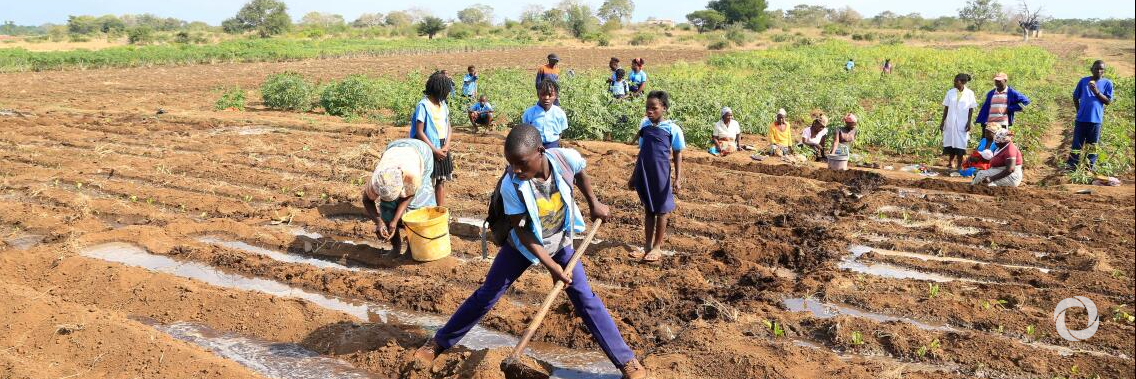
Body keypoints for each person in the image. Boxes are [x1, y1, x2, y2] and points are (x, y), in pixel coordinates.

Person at [413, 125, 648, 379]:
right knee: (487, 295)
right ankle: (437, 343)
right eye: (511, 164)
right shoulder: (511, 185)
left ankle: (627, 362)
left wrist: (594, 203)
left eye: (521, 163)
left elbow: (580, 173)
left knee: (584, 298)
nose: (516, 170)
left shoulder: (563, 158)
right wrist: (551, 267)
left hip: (559, 241)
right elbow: (523, 232)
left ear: (540, 151)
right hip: (523, 246)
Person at [628, 91, 684, 263]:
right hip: (646, 172)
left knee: (661, 210)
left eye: (654, 108)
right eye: (647, 108)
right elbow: (642, 152)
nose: (649, 111)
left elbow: (677, 153)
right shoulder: (644, 126)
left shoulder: (672, 129)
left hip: (661, 173)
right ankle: (646, 246)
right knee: (648, 209)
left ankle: (657, 247)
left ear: (664, 108)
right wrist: (634, 175)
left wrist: (678, 178)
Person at [361, 139, 436, 255]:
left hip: (420, 152)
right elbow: (366, 200)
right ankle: (396, 249)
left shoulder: (412, 175)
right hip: (393, 149)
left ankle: (412, 251)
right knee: (386, 209)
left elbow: (409, 195)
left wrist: (395, 220)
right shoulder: (376, 181)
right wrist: (379, 222)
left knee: (416, 207)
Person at [410, 71, 454, 207]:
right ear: (439, 89)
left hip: (442, 146)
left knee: (440, 180)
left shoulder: (443, 105)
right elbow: (419, 131)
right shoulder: (423, 105)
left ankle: (440, 210)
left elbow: (448, 126)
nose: (447, 94)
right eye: (446, 90)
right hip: (428, 146)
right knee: (425, 180)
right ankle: (421, 209)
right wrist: (434, 150)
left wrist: (446, 146)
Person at [1066, 60, 1114, 170]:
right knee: (1076, 144)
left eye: (1101, 69)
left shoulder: (1107, 83)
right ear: (1091, 69)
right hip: (1081, 119)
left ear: (1104, 71)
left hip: (1096, 120)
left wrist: (1096, 91)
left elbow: (1108, 101)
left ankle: (1089, 167)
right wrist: (1079, 111)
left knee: (1093, 146)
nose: (1099, 70)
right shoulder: (1083, 81)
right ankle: (1071, 166)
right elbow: (1075, 97)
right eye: (1096, 68)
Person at [938, 73, 977, 171]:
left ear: (962, 82)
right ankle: (950, 162)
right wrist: (943, 122)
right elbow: (946, 107)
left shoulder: (970, 93)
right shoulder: (950, 92)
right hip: (950, 121)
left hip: (962, 122)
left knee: (961, 143)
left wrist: (968, 122)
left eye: (956, 81)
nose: (954, 83)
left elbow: (971, 109)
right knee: (951, 141)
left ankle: (959, 164)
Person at [522, 79, 569, 149]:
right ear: (538, 94)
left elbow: (560, 132)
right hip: (535, 147)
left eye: (550, 95)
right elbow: (526, 131)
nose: (546, 98)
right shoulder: (529, 113)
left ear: (556, 96)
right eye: (543, 94)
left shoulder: (560, 113)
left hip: (553, 146)